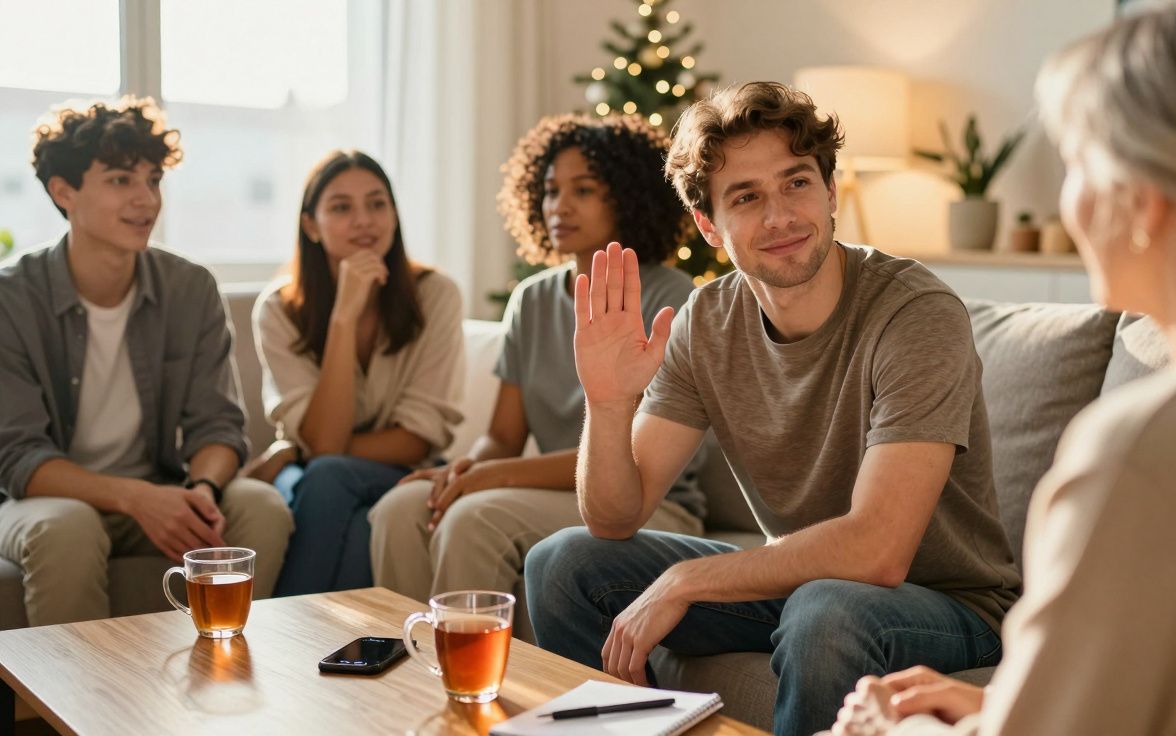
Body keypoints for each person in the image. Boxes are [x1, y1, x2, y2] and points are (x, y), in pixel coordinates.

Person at [829, 1, 1176, 734]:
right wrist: (994, 705)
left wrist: (889, 728)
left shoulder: (1148, 445)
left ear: (1144, 203)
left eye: (1076, 163)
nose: (1067, 199)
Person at [524, 82, 1022, 736]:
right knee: (563, 564)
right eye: (747, 197)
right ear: (709, 225)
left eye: (796, 184)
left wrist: (688, 580)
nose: (781, 216)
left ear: (830, 190)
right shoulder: (707, 321)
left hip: (952, 607)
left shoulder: (915, 313)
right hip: (806, 586)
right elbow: (615, 517)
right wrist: (610, 403)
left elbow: (879, 551)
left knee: (827, 611)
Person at [368, 115, 705, 630]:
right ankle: (405, 665)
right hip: (549, 492)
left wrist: (492, 476)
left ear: (628, 197)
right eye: (550, 191)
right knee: (403, 505)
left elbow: (632, 449)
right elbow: (503, 436)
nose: (559, 206)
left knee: (473, 520)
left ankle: (465, 686)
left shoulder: (668, 297)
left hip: (646, 501)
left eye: (583, 190)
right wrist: (464, 468)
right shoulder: (532, 299)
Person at [0, 97, 293, 624]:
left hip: (158, 489)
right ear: (63, 192)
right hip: (44, 500)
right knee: (68, 527)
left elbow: (219, 428)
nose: (146, 200)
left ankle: (219, 679)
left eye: (153, 180)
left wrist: (200, 493)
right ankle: (72, 706)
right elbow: (19, 458)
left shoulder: (190, 288)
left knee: (259, 508)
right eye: (119, 181)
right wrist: (138, 499)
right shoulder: (12, 298)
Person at [245, 150, 464, 596]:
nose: (364, 220)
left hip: (403, 468)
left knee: (326, 473)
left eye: (377, 203)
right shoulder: (278, 309)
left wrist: (302, 451)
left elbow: (414, 439)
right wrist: (343, 318)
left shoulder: (436, 295)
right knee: (352, 519)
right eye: (342, 207)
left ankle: (286, 642)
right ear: (311, 225)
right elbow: (326, 444)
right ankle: (343, 653)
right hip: (318, 477)